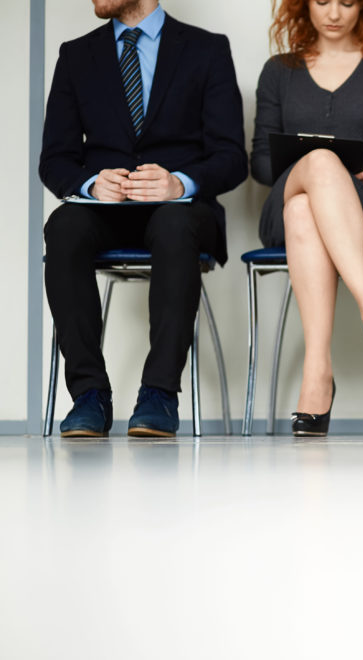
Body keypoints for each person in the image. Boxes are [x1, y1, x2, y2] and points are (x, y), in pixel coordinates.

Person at [39, 0, 247, 438]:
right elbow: (54, 160)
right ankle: (89, 396)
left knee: (174, 224)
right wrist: (91, 183)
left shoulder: (207, 50)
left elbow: (231, 159)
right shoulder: (75, 55)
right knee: (62, 227)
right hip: (105, 212)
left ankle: (159, 393)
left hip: (183, 212)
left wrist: (181, 184)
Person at [251, 0, 363, 437]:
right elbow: (261, 164)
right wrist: (313, 165)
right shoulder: (278, 70)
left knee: (305, 211)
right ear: (302, 5)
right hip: (284, 201)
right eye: (322, 0)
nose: (334, 12)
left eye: (346, 1)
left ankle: (317, 373)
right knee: (319, 165)